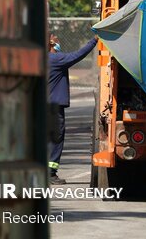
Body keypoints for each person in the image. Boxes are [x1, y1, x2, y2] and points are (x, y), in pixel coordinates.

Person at [48, 34, 98, 185]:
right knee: (56, 139)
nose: (58, 41)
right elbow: (78, 55)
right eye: (56, 39)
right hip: (54, 106)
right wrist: (94, 40)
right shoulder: (56, 59)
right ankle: (50, 173)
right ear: (51, 42)